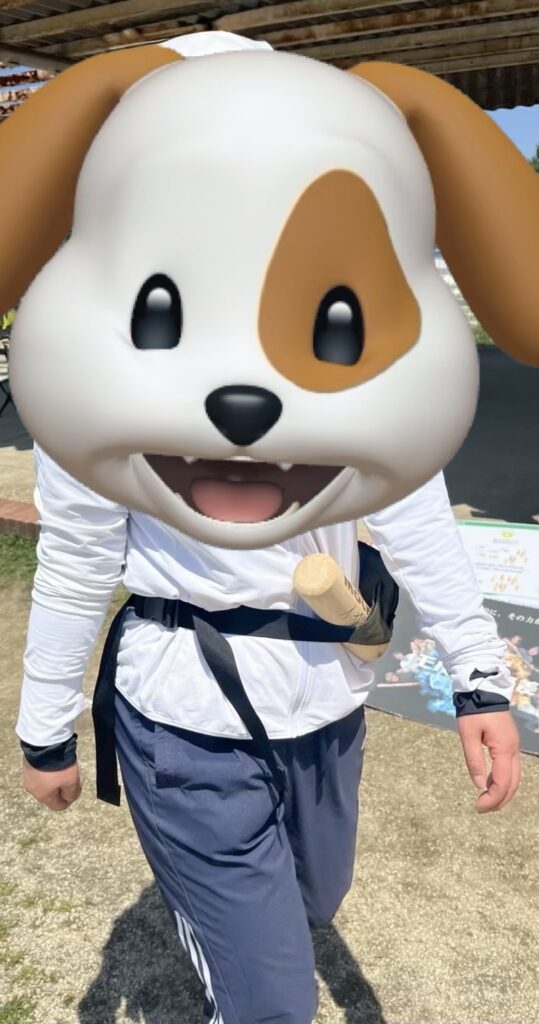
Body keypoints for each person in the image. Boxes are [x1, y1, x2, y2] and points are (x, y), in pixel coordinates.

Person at [17, 443, 520, 1024]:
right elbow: (77, 558)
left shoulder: (357, 384)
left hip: (330, 705)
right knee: (270, 1007)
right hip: (187, 721)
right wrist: (46, 733)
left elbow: (413, 511)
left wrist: (477, 674)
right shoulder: (101, 392)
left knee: (318, 897)